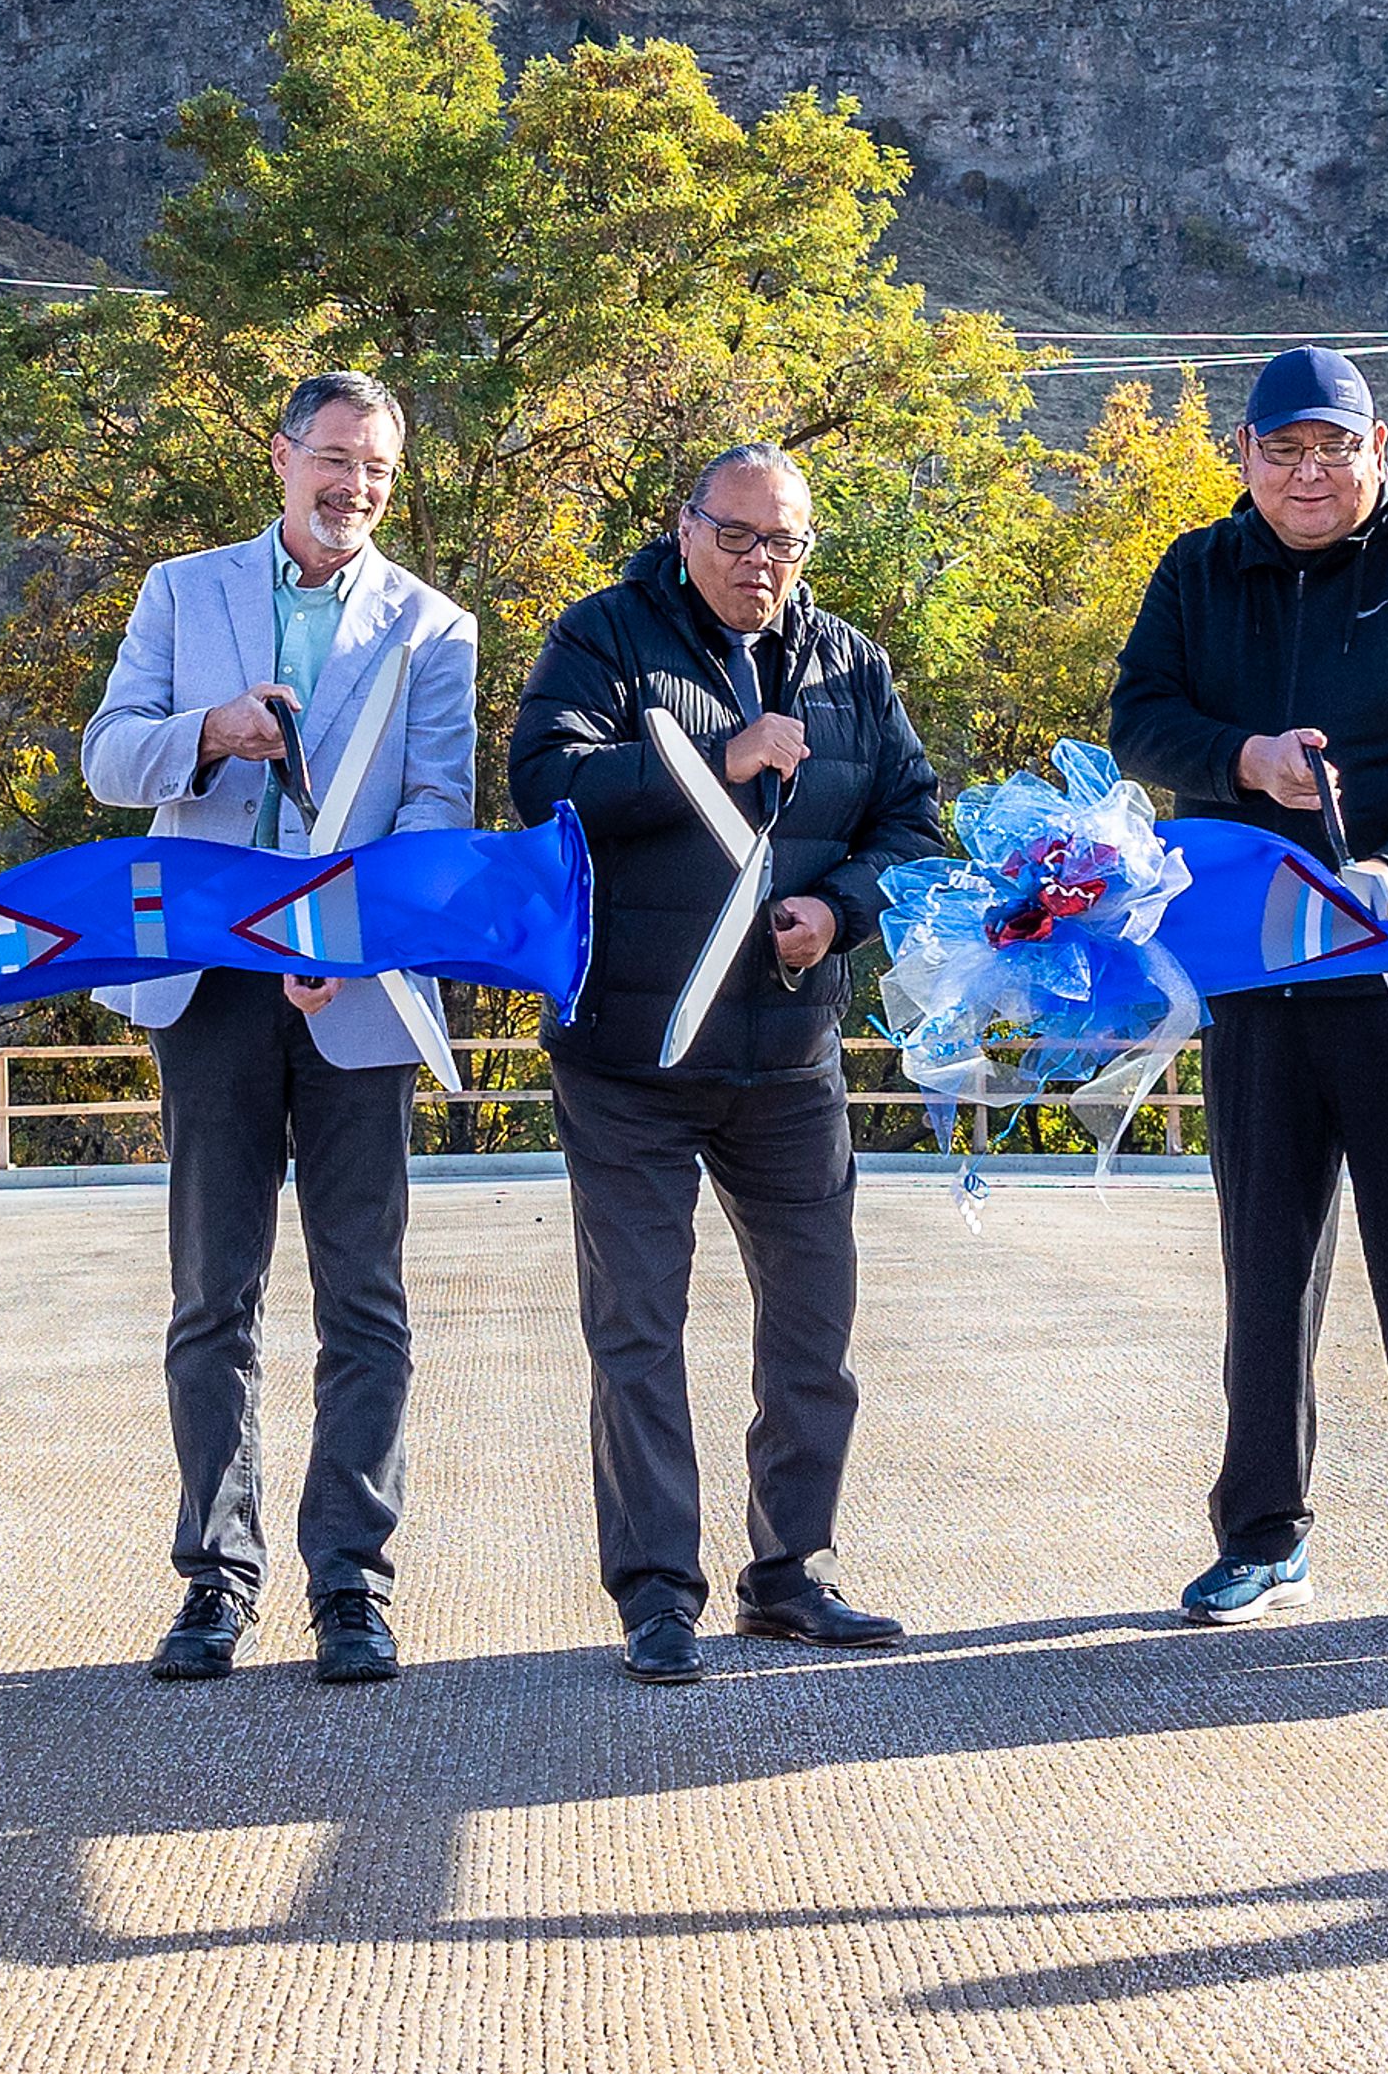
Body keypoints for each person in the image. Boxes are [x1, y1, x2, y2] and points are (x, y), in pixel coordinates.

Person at [1109, 346, 1388, 1638]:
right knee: (1267, 1267)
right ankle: (1261, 1538)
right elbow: (1140, 720)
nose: (1308, 471)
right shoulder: (1197, 570)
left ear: (1377, 446)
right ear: (1244, 456)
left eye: (1331, 447)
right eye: (1282, 448)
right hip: (1256, 980)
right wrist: (1241, 757)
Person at [508, 443, 946, 1684]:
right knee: (638, 1329)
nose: (765, 564)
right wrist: (718, 757)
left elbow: (911, 818)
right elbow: (544, 784)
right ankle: (656, 1593)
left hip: (789, 1052)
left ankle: (790, 1573)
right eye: (741, 537)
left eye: (788, 542)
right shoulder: (602, 636)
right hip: (629, 1052)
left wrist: (843, 911)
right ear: (686, 525)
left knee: (814, 1327)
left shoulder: (853, 660)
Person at [81, 371, 479, 1688]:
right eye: (334, 459)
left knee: (366, 1298)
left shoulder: (435, 629)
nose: (354, 486)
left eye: (377, 468)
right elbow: (108, 756)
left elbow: (438, 807)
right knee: (216, 1295)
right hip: (206, 980)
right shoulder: (182, 592)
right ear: (281, 456)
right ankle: (215, 1580)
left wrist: (351, 937)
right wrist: (209, 734)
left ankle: (352, 1585)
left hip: (348, 986)